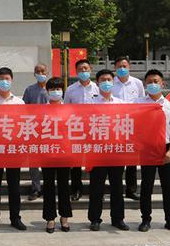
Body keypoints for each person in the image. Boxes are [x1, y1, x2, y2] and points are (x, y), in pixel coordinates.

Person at [136, 69, 170, 233]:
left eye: (156, 81)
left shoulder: (169, 105)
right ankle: (145, 220)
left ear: (163, 84)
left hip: (165, 148)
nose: (153, 84)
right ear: (145, 85)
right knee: (146, 186)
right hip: (147, 149)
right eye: (149, 82)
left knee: (168, 187)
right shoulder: (138, 103)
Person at [0, 67, 27, 231]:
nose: (4, 82)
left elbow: (24, 125)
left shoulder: (19, 102)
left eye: (7, 78)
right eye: (1, 79)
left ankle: (15, 218)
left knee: (14, 186)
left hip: (13, 150)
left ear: (12, 80)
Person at [87, 69, 129, 232]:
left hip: (116, 150)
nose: (106, 82)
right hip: (97, 151)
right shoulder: (90, 104)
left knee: (117, 186)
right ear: (97, 83)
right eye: (103, 79)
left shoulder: (121, 103)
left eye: (109, 79)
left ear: (113, 82)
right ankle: (95, 219)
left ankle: (118, 219)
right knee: (96, 186)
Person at [63, 59, 98, 201]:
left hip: (94, 129)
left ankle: (95, 188)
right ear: (76, 71)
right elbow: (65, 109)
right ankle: (76, 189)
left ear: (90, 69)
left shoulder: (97, 88)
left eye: (86, 68)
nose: (83, 72)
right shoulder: (71, 89)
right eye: (80, 69)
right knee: (76, 161)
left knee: (94, 160)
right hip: (76, 129)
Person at [42, 76, 72, 233]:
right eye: (52, 89)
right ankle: (50, 218)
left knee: (63, 186)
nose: (55, 92)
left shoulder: (69, 109)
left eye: (58, 89)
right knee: (48, 186)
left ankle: (65, 217)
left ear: (63, 91)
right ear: (47, 92)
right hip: (47, 153)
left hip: (65, 153)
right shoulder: (40, 110)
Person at [112, 56, 145, 200]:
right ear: (115, 68)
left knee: (132, 158)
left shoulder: (137, 83)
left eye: (124, 66)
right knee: (117, 158)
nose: (122, 69)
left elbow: (143, 102)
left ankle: (131, 189)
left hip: (133, 124)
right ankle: (116, 187)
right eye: (119, 66)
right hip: (115, 125)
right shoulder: (110, 83)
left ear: (129, 67)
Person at [22, 63, 49, 201]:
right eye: (37, 71)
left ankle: (48, 187)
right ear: (34, 74)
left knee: (48, 161)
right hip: (33, 130)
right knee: (33, 162)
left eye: (42, 71)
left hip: (50, 130)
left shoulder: (53, 89)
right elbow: (24, 109)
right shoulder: (29, 90)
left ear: (47, 71)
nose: (40, 73)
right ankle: (36, 188)